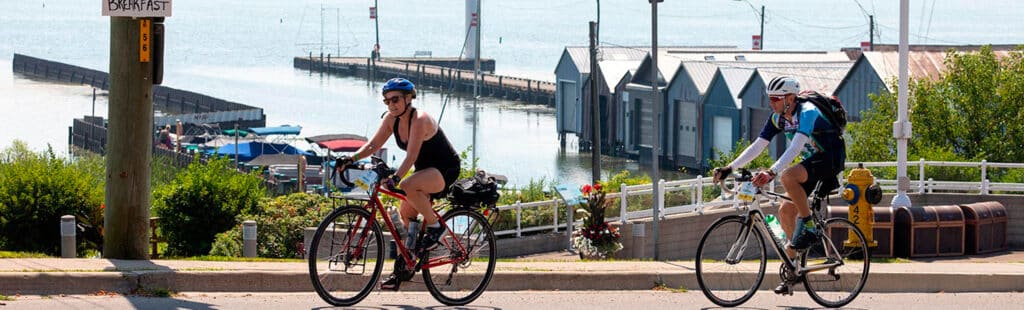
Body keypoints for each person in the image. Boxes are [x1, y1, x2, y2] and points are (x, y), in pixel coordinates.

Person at [711, 76, 846, 295]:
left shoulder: (808, 111)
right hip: (812, 163)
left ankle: (809, 227)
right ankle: (795, 268)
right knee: (785, 212)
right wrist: (729, 167)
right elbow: (758, 145)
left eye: (775, 98)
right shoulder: (779, 118)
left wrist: (772, 171)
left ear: (790, 98)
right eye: (769, 98)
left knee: (787, 177)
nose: (771, 103)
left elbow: (795, 147)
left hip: (830, 158)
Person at [337, 77, 461, 290]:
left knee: (406, 186)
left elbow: (411, 156)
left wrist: (396, 178)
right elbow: (373, 144)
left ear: (408, 98)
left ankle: (436, 227)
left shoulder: (420, 119)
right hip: (424, 171)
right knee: (406, 215)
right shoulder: (391, 119)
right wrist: (351, 159)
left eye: (395, 99)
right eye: (387, 101)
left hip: (444, 169)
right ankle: (404, 268)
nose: (391, 104)